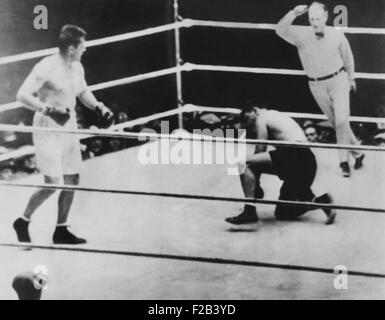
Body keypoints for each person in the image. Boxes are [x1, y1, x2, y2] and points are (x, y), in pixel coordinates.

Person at [13, 25, 114, 245]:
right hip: (47, 128)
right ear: (71, 48)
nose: (84, 50)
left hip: (68, 127)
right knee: (52, 182)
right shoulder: (46, 67)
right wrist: (48, 109)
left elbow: (82, 91)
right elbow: (22, 95)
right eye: (82, 46)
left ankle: (61, 229)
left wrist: (99, 107)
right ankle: (23, 220)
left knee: (72, 177)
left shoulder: (77, 67)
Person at [276, 2, 364, 177]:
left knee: (340, 120)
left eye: (318, 18)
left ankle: (343, 161)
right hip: (316, 84)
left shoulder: (336, 34)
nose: (315, 22)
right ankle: (358, 152)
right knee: (335, 122)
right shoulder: (301, 34)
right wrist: (293, 13)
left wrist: (351, 77)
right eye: (312, 19)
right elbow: (279, 29)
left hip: (338, 80)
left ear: (325, 17)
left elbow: (348, 56)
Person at [225, 106, 336, 225]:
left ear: (255, 111)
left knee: (243, 162)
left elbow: (260, 149)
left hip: (295, 155)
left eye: (248, 117)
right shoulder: (277, 116)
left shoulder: (262, 117)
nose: (249, 122)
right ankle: (321, 201)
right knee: (283, 213)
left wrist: (256, 184)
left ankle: (249, 210)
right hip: (306, 163)